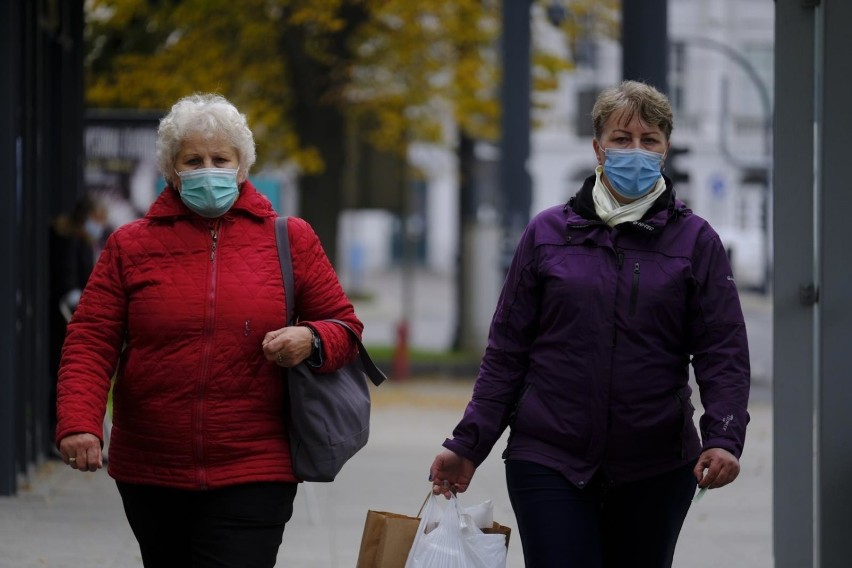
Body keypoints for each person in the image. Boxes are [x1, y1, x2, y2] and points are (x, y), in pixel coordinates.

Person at [427, 80, 750, 568]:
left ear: (665, 150)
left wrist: (724, 436)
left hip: (657, 464)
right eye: (622, 139)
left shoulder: (695, 241)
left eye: (650, 140)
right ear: (598, 148)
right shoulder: (548, 234)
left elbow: (722, 351)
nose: (635, 151)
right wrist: (468, 444)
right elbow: (507, 351)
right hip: (549, 456)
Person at [55, 93, 363, 568]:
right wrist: (80, 424)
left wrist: (312, 339)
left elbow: (346, 328)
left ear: (242, 168)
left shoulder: (290, 238)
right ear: (172, 171)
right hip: (151, 470)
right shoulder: (130, 246)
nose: (207, 170)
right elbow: (90, 341)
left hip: (256, 465)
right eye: (192, 160)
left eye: (220, 159)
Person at [47, 193, 109, 450]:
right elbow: (69, 283)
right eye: (97, 219)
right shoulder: (70, 241)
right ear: (86, 218)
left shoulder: (81, 241)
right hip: (65, 318)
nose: (99, 225)